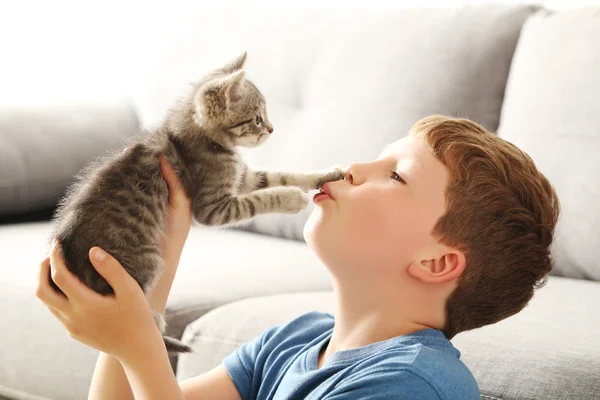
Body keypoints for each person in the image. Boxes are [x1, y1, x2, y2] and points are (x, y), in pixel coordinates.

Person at [36, 115, 559, 399]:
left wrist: (139, 345)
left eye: (396, 175)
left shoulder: (412, 385)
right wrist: (150, 275)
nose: (352, 166)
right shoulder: (295, 342)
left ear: (437, 263)